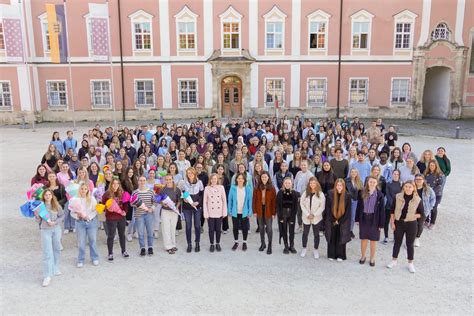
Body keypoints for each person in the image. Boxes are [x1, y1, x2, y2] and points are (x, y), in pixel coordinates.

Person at [387, 181, 424, 273]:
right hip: (399, 223)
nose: (408, 188)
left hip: (411, 224)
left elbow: (422, 214)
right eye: (406, 186)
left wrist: (413, 216)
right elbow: (392, 211)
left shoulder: (417, 199)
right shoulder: (397, 196)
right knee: (397, 243)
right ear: (403, 187)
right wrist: (392, 223)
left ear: (413, 188)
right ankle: (394, 260)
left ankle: (410, 263)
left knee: (409, 244)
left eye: (410, 187)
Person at [36, 189, 64, 287]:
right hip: (45, 230)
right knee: (47, 252)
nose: (48, 196)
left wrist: (55, 222)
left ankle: (55, 266)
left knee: (57, 249)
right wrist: (37, 215)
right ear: (43, 196)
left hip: (56, 229)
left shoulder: (56, 206)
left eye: (49, 195)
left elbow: (62, 216)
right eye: (46, 195)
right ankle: (47, 275)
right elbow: (38, 220)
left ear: (52, 196)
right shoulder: (40, 207)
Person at [355, 176, 385, 267]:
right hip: (364, 218)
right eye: (370, 182)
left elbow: (382, 211)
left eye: (374, 182)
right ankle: (363, 256)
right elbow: (359, 207)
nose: (372, 184)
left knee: (373, 240)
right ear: (367, 182)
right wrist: (357, 219)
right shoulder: (361, 193)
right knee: (363, 239)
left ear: (377, 184)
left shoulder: (380, 195)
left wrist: (381, 224)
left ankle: (372, 258)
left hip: (374, 219)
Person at [69, 183, 99, 268]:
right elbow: (72, 212)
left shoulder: (92, 199)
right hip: (80, 223)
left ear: (88, 190)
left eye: (85, 189)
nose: (83, 190)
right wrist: (77, 216)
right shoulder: (75, 199)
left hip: (91, 222)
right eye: (82, 189)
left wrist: (88, 217)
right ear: (79, 190)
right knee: (81, 242)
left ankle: (94, 257)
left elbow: (95, 210)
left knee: (92, 241)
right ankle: (80, 259)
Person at [102, 178, 129, 260]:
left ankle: (123, 251)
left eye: (117, 183)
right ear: (111, 184)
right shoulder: (106, 194)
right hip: (111, 218)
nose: (115, 185)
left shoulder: (122, 193)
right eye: (113, 183)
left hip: (121, 217)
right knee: (111, 236)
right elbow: (103, 206)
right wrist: (107, 208)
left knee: (122, 235)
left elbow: (125, 204)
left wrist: (125, 211)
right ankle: (110, 253)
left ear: (119, 184)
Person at [178, 167, 204, 253]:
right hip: (187, 208)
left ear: (194, 173)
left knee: (197, 225)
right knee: (188, 226)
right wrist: (183, 199)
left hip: (197, 207)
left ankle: (197, 243)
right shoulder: (183, 183)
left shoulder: (199, 183)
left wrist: (198, 202)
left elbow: (201, 195)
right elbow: (180, 193)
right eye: (188, 173)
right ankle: (189, 244)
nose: (190, 175)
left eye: (191, 173)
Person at [324, 179, 351, 261]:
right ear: (335, 185)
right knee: (332, 236)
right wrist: (333, 219)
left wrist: (340, 220)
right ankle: (331, 254)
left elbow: (348, 211)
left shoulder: (347, 195)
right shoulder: (330, 194)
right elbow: (327, 208)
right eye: (337, 185)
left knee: (340, 236)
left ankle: (340, 255)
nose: (339, 187)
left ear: (343, 186)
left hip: (343, 220)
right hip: (331, 219)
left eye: (341, 185)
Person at [299, 177, 326, 259]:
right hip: (306, 217)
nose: (312, 185)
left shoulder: (320, 194)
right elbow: (301, 204)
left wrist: (314, 214)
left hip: (316, 218)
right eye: (310, 183)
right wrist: (307, 214)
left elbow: (322, 207)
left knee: (316, 234)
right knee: (305, 233)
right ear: (309, 184)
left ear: (317, 184)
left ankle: (316, 249)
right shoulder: (305, 193)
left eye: (314, 183)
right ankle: (304, 248)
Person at [252, 172, 277, 254]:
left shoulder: (272, 188)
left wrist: (274, 213)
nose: (264, 179)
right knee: (261, 228)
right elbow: (254, 200)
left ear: (268, 178)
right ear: (260, 178)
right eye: (262, 177)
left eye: (265, 177)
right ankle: (263, 243)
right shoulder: (257, 187)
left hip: (268, 210)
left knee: (269, 228)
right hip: (259, 209)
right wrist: (254, 211)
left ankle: (270, 245)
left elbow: (274, 201)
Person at [227, 173, 253, 251]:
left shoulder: (247, 188)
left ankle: (244, 242)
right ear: (236, 179)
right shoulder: (233, 188)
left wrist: (249, 211)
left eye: (242, 178)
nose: (240, 180)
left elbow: (250, 201)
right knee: (235, 227)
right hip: (235, 211)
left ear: (244, 180)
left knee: (245, 228)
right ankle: (236, 242)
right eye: (239, 178)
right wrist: (229, 210)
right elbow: (230, 200)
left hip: (244, 212)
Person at [203, 174, 227, 253]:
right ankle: (212, 244)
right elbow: (205, 202)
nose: (214, 180)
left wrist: (224, 212)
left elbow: (224, 200)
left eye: (215, 179)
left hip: (219, 212)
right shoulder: (207, 188)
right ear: (210, 180)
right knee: (211, 229)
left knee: (218, 229)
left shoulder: (221, 187)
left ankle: (218, 243)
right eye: (212, 179)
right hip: (210, 212)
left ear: (217, 180)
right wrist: (206, 213)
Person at [133, 176, 156, 256]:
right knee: (141, 233)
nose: (142, 182)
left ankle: (150, 247)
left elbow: (155, 202)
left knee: (150, 232)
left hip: (149, 214)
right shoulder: (135, 192)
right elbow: (131, 203)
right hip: (139, 215)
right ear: (138, 182)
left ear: (146, 182)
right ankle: (142, 248)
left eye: (144, 180)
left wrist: (151, 208)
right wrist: (136, 205)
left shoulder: (151, 191)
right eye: (140, 180)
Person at [276, 177, 299, 254]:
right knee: (284, 230)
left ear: (292, 184)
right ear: (283, 184)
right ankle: (286, 245)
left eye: (289, 183)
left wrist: (293, 217)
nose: (287, 184)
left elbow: (296, 206)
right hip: (283, 214)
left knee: (291, 231)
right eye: (286, 183)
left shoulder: (294, 193)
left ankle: (291, 246)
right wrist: (280, 217)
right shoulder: (280, 193)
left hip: (291, 214)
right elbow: (278, 206)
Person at [160, 175, 181, 254]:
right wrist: (163, 204)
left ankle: (173, 244)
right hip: (165, 211)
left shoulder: (177, 189)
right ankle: (168, 246)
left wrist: (176, 207)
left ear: (172, 179)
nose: (168, 181)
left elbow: (179, 200)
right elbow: (160, 200)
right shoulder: (163, 189)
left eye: (170, 179)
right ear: (165, 180)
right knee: (166, 229)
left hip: (174, 212)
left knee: (172, 228)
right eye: (167, 179)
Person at [414, 174, 435, 247]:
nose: (418, 181)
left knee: (420, 225)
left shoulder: (428, 189)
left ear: (423, 180)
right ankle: (410, 239)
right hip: (413, 210)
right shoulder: (412, 188)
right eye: (417, 179)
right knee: (412, 225)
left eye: (420, 179)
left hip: (424, 210)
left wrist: (429, 208)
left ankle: (417, 238)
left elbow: (433, 199)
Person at [424, 159, 444, 230]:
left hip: (436, 194)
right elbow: (424, 183)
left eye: (433, 165)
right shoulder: (426, 173)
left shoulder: (439, 174)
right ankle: (426, 220)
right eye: (430, 165)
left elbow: (440, 185)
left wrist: (431, 193)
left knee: (433, 208)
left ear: (436, 166)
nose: (432, 166)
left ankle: (432, 222)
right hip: (427, 194)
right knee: (426, 206)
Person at [384, 169, 402, 244]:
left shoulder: (401, 184)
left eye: (397, 174)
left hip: (398, 207)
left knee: (396, 222)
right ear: (392, 174)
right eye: (394, 174)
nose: (395, 175)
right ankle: (386, 236)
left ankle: (395, 237)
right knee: (386, 221)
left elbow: (401, 195)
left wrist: (397, 205)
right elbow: (387, 195)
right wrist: (393, 205)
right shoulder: (388, 184)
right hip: (389, 206)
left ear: (399, 176)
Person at [346, 168, 363, 238]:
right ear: (350, 173)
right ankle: (345, 230)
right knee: (346, 216)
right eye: (352, 172)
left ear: (357, 173)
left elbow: (361, 192)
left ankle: (350, 230)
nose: (353, 173)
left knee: (353, 217)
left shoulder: (359, 181)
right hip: (347, 201)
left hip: (355, 201)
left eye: (355, 172)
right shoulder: (346, 180)